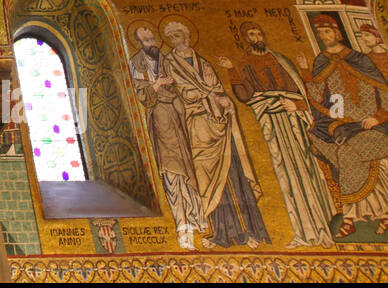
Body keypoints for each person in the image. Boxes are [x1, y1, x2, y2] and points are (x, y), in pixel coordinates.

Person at [220, 22, 334, 247]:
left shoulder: (282, 60)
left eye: (259, 32)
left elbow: (307, 93)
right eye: (252, 33)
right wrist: (232, 69)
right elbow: (245, 96)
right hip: (272, 122)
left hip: (295, 121)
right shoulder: (245, 63)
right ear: (245, 38)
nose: (257, 37)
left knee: (308, 170)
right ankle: (304, 232)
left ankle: (325, 227)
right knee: (286, 174)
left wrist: (298, 104)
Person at [161, 20, 270, 248]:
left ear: (187, 36)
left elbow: (216, 87)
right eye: (171, 37)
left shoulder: (202, 62)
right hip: (197, 125)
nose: (175, 40)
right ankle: (221, 232)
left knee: (233, 170)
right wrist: (202, 96)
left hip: (218, 121)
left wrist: (222, 99)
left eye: (178, 35)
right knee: (206, 176)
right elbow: (177, 91)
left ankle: (250, 230)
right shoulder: (169, 63)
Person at [302, 13, 388, 238]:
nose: (324, 36)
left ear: (338, 33)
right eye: (320, 33)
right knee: (325, 144)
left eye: (327, 31)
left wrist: (379, 117)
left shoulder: (360, 59)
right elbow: (318, 98)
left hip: (374, 126)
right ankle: (383, 212)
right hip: (344, 125)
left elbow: (384, 91)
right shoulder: (321, 61)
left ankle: (349, 219)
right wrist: (305, 74)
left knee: (348, 153)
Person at [129, 25, 205, 248]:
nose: (151, 43)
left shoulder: (168, 60)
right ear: (138, 43)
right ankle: (182, 225)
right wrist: (157, 84)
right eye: (145, 41)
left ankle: (195, 220)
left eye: (152, 39)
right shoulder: (136, 64)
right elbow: (139, 92)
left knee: (188, 169)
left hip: (178, 116)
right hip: (160, 120)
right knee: (171, 172)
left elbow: (187, 82)